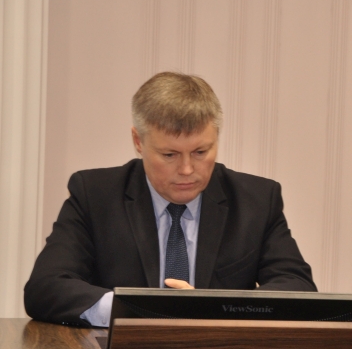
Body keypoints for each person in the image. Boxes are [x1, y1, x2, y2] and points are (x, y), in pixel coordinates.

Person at [25, 72, 316, 327]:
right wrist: (133, 309)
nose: (187, 169)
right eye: (169, 155)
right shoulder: (95, 195)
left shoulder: (256, 200)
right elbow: (45, 287)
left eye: (200, 152)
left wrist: (215, 309)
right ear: (138, 141)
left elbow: (298, 287)